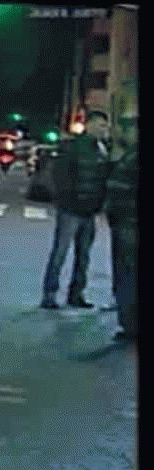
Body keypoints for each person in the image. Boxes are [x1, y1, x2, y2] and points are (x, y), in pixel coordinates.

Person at [40, 111, 112, 309]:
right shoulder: (73, 148)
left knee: (84, 256)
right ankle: (50, 293)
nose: (103, 130)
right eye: (100, 126)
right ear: (88, 125)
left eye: (105, 126)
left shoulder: (103, 149)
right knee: (60, 252)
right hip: (71, 209)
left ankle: (76, 294)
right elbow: (60, 176)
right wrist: (67, 198)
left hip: (90, 209)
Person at [103, 110, 138, 341]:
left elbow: (122, 188)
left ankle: (130, 324)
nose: (122, 133)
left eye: (126, 129)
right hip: (125, 221)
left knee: (127, 274)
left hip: (129, 222)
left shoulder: (134, 156)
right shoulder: (129, 154)